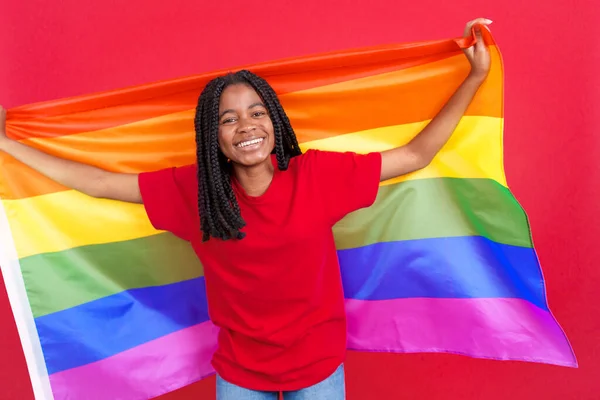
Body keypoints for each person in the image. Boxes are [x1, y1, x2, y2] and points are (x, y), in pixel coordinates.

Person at [0, 18, 492, 400]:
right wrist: (5, 141)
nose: (246, 125)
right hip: (241, 373)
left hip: (318, 367)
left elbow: (414, 155)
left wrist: (474, 77)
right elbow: (100, 182)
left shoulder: (317, 177)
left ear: (275, 122)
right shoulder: (195, 193)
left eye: (257, 112)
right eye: (228, 118)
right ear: (212, 137)